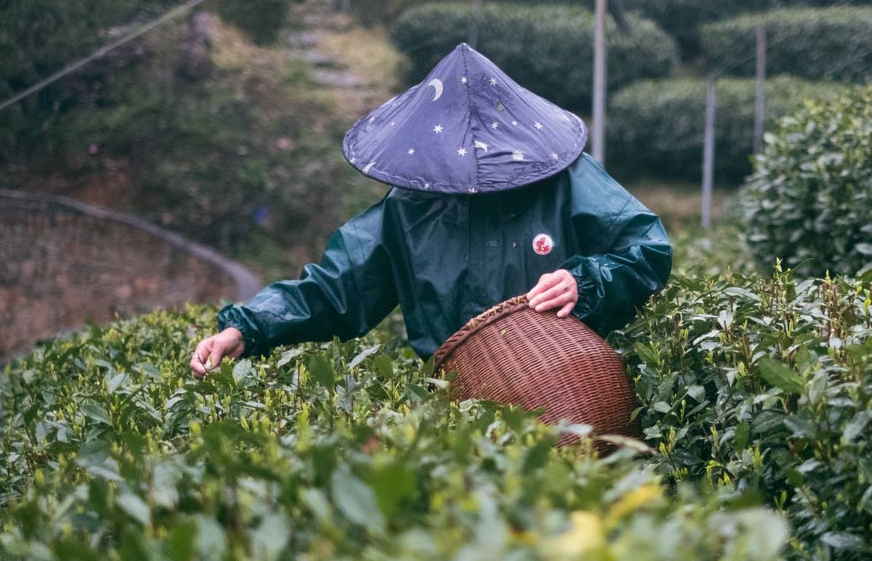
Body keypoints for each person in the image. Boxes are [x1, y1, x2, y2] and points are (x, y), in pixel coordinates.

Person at [190, 44, 672, 377]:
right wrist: (245, 329)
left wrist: (585, 282)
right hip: (457, 400)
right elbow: (334, 289)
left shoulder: (565, 180)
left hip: (570, 385)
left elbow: (646, 248)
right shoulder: (410, 210)